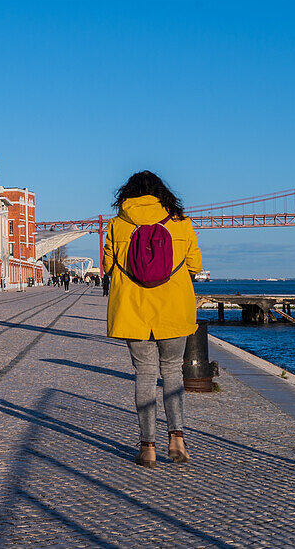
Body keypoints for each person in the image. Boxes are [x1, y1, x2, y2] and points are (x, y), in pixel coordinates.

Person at [104, 170, 202, 468]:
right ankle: (177, 439)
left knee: (144, 375)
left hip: (133, 312)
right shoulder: (181, 223)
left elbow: (109, 266)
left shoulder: (117, 224)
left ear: (128, 193)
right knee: (172, 373)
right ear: (163, 193)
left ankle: (147, 447)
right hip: (173, 310)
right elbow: (195, 265)